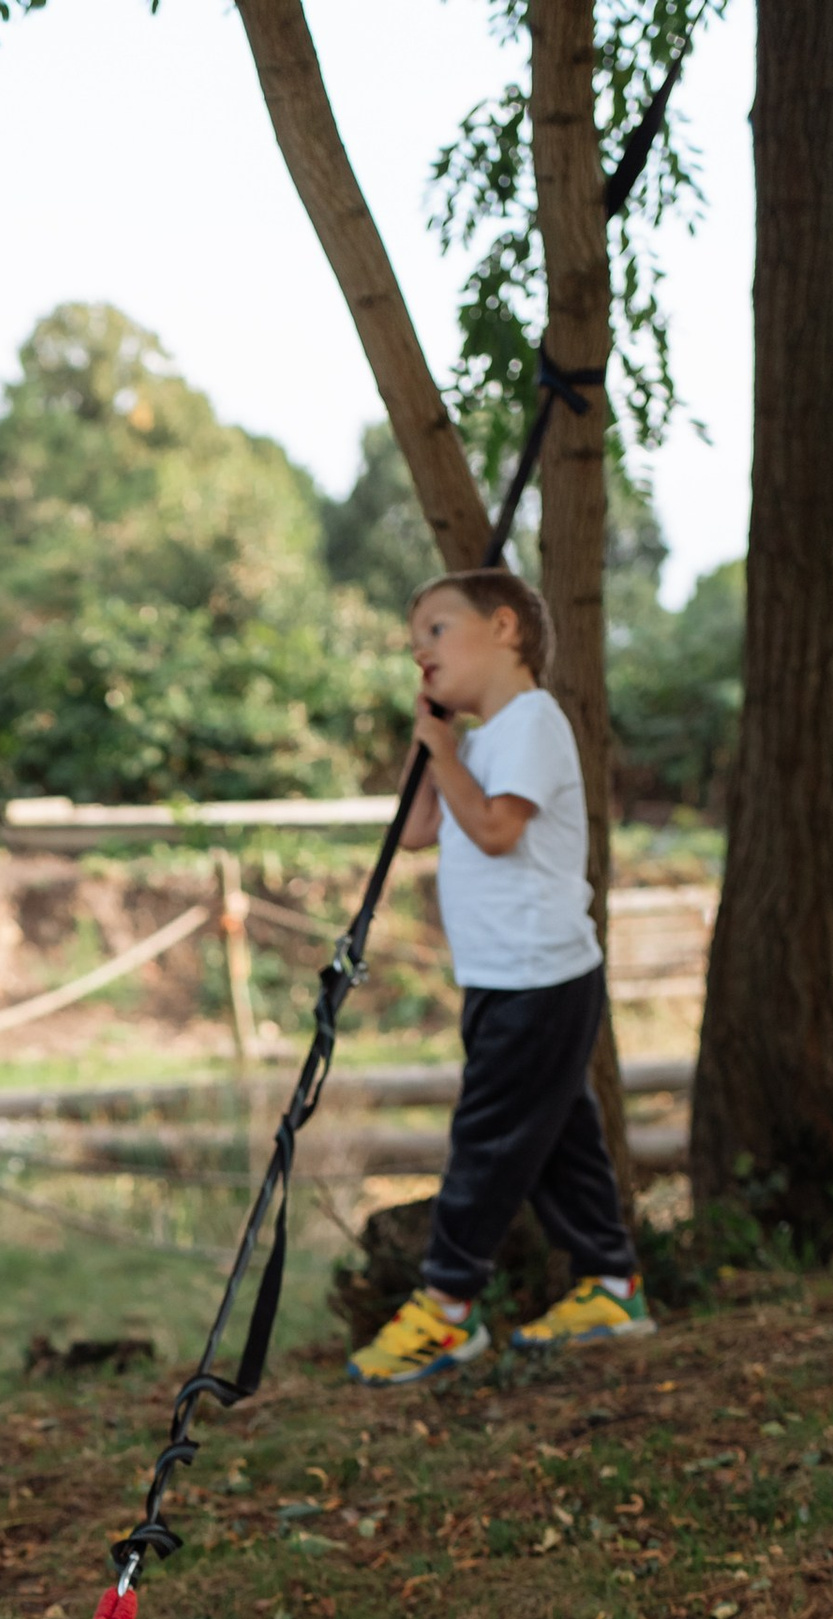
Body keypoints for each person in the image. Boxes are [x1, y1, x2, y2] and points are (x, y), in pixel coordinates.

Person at [348, 568, 655, 1390]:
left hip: (537, 973)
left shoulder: (530, 723)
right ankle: (610, 1284)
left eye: (438, 631)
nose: (420, 650)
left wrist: (449, 751)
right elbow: (418, 830)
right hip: (507, 975)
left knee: (488, 1142)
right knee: (557, 1139)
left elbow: (492, 829)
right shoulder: (481, 741)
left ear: (506, 628)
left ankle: (446, 1309)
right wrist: (431, 746)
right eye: (414, 641)